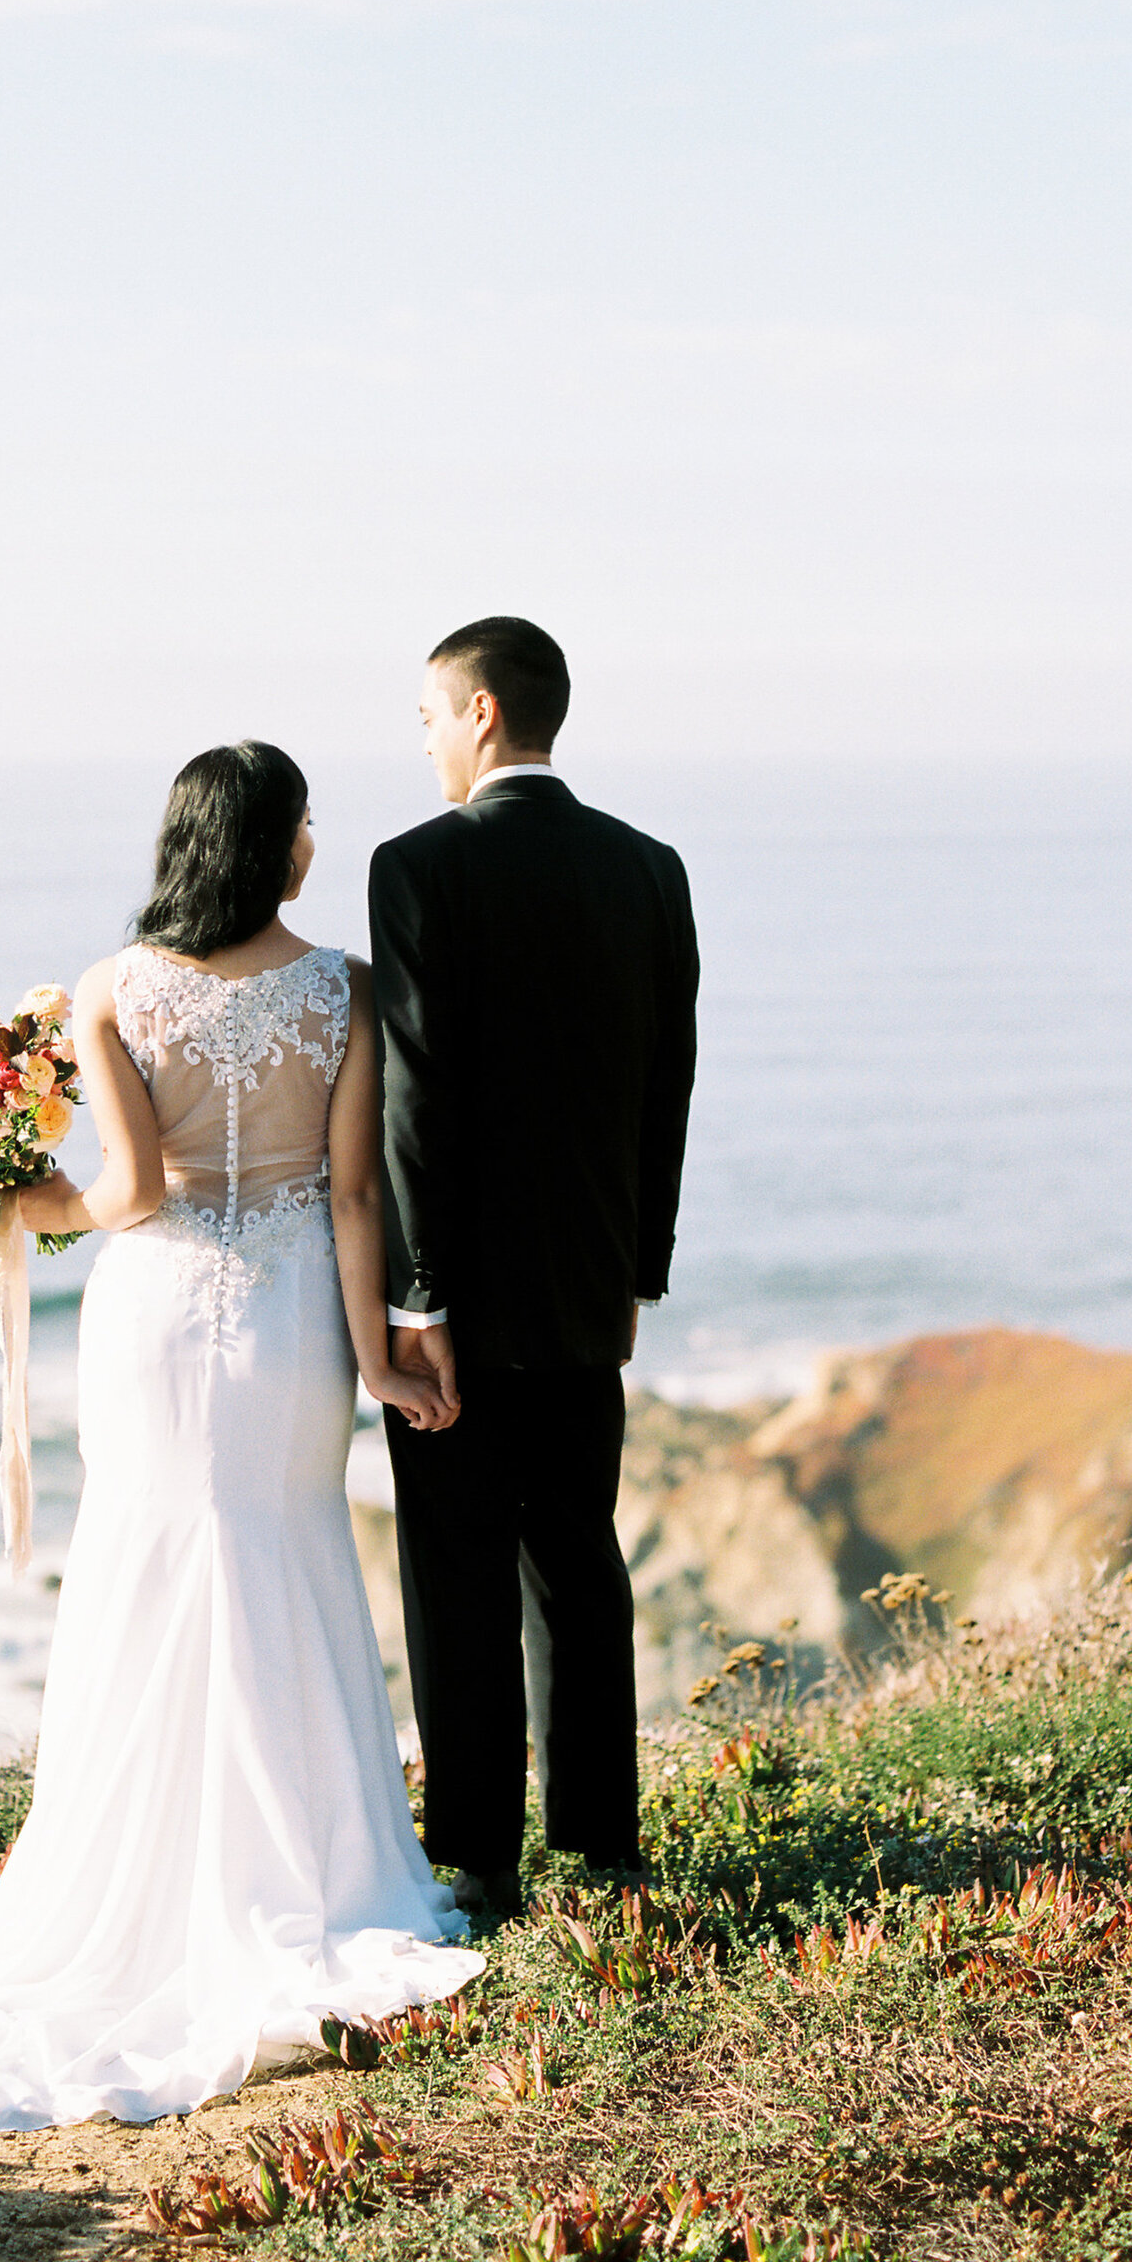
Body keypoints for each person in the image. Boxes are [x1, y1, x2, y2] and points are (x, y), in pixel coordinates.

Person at [0, 741, 482, 2130]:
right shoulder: (345, 988)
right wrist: (386, 1356)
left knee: (150, 1562)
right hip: (288, 1319)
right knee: (281, 1550)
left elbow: (131, 1189)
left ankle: (133, 1876)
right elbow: (350, 1197)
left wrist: (26, 1203)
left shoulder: (111, 988)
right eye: (309, 824)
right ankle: (316, 1873)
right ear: (284, 846)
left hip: (152, 1314)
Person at [369, 617, 700, 1918]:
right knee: (578, 1559)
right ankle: (604, 1852)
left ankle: (479, 1863)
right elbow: (666, 1088)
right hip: (587, 1289)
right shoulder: (649, 870)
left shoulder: (418, 867)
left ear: (485, 714)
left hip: (459, 1304)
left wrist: (420, 1298)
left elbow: (415, 1094)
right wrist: (641, 1273)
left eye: (434, 716)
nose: (432, 740)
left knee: (456, 1569)